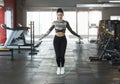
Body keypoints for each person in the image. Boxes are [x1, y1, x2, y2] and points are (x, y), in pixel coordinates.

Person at [39, 8, 83, 75]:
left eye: (61, 15)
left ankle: (62, 67)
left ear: (63, 15)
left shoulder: (66, 23)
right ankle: (58, 68)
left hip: (63, 40)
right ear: (57, 15)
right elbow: (49, 31)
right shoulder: (54, 22)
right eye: (59, 15)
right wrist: (42, 37)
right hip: (56, 40)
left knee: (62, 56)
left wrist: (78, 36)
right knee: (57, 56)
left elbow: (71, 31)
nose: (60, 16)